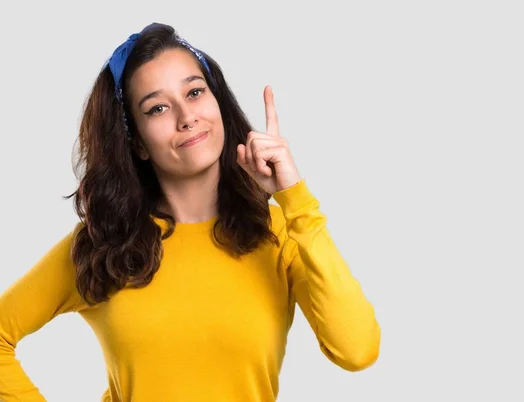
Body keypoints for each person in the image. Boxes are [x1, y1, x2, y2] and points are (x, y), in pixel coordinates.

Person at [0, 22, 380, 401]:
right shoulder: (104, 244)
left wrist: (294, 197)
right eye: (158, 108)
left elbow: (356, 351)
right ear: (138, 143)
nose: (186, 116)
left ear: (217, 102)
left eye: (195, 92)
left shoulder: (279, 232)